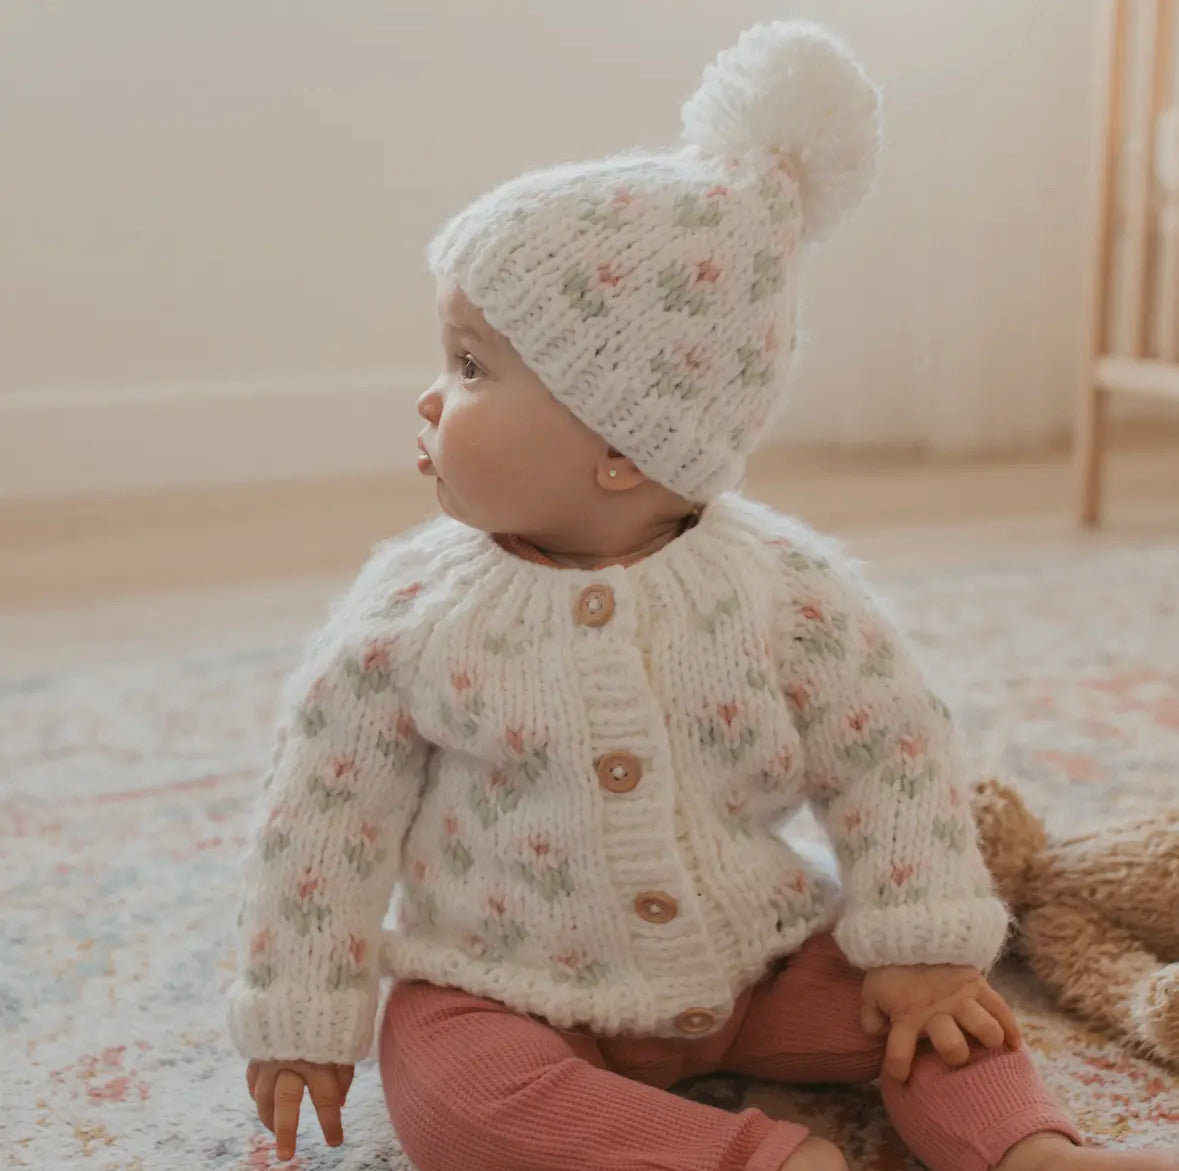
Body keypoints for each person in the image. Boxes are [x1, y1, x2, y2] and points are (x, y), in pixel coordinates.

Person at [229, 20, 1177, 1171]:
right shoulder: (411, 614)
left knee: (942, 1008)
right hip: (505, 977)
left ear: (623, 446)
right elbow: (322, 816)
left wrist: (920, 937)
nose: (430, 400)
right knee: (446, 1092)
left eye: (471, 366)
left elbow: (892, 752)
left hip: (757, 958)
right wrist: (301, 1016)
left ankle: (1029, 1151)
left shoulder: (783, 593)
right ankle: (749, 1158)